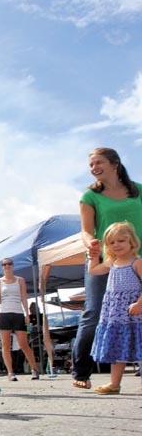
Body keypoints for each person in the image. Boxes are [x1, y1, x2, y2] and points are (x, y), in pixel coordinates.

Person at [72, 147, 142, 390]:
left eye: (98, 163)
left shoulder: (138, 190)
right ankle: (81, 371)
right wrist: (90, 244)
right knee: (94, 313)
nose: (93, 168)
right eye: (91, 165)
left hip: (138, 259)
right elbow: (86, 230)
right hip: (105, 260)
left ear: (115, 164)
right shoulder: (90, 196)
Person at [88, 222, 142, 394]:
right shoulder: (112, 262)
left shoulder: (137, 262)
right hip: (115, 315)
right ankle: (114, 383)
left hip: (134, 314)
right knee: (117, 349)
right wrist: (93, 255)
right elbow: (94, 270)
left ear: (131, 242)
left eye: (121, 241)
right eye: (112, 242)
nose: (116, 245)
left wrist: (139, 303)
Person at [0, 258, 40, 381]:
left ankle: (34, 369)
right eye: (4, 264)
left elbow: (24, 297)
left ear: (13, 266)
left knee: (24, 344)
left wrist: (27, 314)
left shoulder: (20, 280)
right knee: (5, 345)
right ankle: (10, 372)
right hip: (4, 313)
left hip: (18, 312)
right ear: (2, 267)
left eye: (9, 264)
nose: (7, 266)